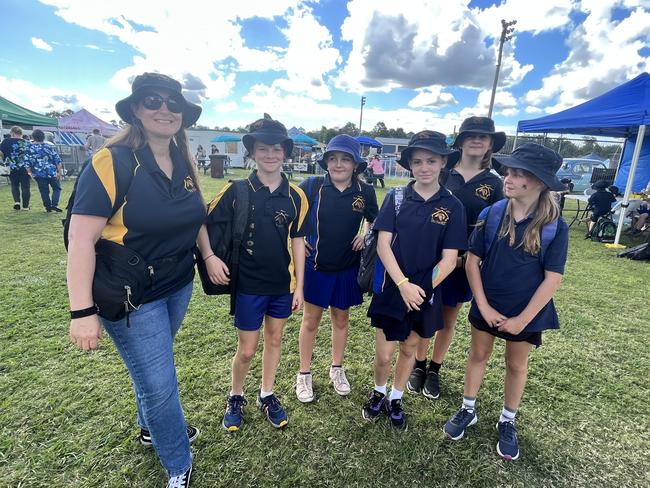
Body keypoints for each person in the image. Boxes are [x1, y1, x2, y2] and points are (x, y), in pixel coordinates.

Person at [67, 72, 205, 488]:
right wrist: (82, 312)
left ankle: (151, 429)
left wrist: (210, 254)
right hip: (131, 296)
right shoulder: (111, 160)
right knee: (161, 383)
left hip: (178, 284)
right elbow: (80, 239)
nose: (164, 109)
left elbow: (194, 215)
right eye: (152, 101)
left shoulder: (182, 159)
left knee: (152, 371)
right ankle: (178, 462)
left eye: (173, 103)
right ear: (136, 110)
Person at [443, 143, 569, 461]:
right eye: (509, 171)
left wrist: (522, 320)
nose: (508, 178)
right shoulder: (493, 213)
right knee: (478, 355)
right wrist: (483, 306)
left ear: (539, 182)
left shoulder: (555, 226)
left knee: (516, 365)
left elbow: (553, 279)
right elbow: (472, 262)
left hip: (526, 312)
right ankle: (468, 409)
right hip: (489, 302)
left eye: (519, 174)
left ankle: (508, 419)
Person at [200, 114, 307, 432]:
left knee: (275, 341)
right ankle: (235, 396)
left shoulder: (296, 196)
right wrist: (209, 257)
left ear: (285, 152)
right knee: (246, 350)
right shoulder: (236, 190)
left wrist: (300, 285)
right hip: (247, 285)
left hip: (282, 286)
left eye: (276, 148)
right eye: (263, 148)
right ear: (252, 153)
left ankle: (267, 394)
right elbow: (201, 221)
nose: (270, 154)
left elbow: (298, 240)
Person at [362, 131, 467, 431]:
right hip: (393, 288)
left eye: (431, 161)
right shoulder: (395, 197)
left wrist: (421, 289)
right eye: (418, 161)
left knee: (409, 348)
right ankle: (379, 391)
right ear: (409, 164)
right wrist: (403, 284)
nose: (424, 167)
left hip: (426, 293)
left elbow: (450, 259)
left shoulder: (453, 206)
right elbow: (383, 245)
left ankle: (396, 398)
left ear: (443, 162)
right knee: (384, 354)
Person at [408, 116, 505, 400]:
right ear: (460, 141)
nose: (477, 140)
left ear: (490, 144)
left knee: (448, 319)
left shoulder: (494, 183)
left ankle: (435, 369)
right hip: (430, 259)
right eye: (471, 135)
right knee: (425, 311)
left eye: (483, 137)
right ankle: (419, 364)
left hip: (463, 264)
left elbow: (494, 226)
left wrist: (473, 256)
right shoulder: (442, 171)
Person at [295, 135, 378, 403]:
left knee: (341, 320)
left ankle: (336, 369)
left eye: (345, 159)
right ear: (326, 162)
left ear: (356, 164)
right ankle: (304, 374)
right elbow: (286, 211)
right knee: (310, 321)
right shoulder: (312, 185)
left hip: (347, 266)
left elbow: (374, 220)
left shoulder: (365, 191)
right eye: (333, 158)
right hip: (316, 265)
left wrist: (366, 234)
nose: (339, 164)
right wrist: (293, 241)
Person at [24, 129, 64, 212]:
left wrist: (29, 172)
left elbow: (27, 161)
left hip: (38, 173)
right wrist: (59, 172)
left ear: (33, 137)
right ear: (43, 137)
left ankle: (48, 207)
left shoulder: (29, 147)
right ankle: (54, 204)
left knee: (44, 191)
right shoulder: (49, 146)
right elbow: (57, 160)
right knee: (57, 188)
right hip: (51, 171)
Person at [0, 125, 30, 210]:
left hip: (11, 167)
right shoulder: (26, 142)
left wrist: (4, 159)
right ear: (21, 133)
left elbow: (1, 153)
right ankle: (25, 206)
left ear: (12, 133)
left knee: (14, 185)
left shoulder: (6, 141)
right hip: (25, 167)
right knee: (25, 187)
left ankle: (17, 202)